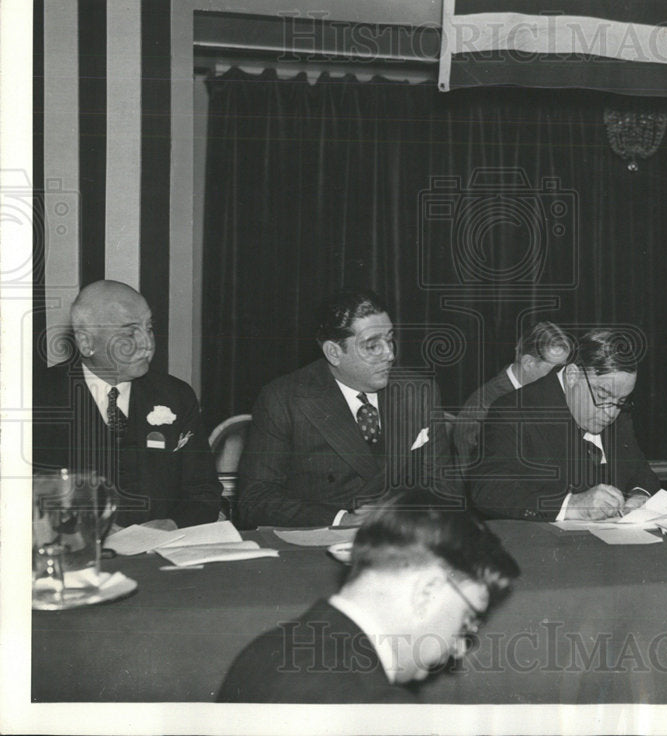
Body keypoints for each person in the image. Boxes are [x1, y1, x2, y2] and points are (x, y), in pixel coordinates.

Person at [217, 489, 520, 702]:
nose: (459, 650)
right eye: (468, 621)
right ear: (427, 591)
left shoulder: (262, 650)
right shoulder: (379, 708)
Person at [238, 289, 456, 528]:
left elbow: (443, 488)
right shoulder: (284, 399)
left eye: (390, 338)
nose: (390, 354)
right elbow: (256, 500)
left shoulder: (419, 392)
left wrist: (398, 515)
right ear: (334, 352)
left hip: (401, 535)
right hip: (319, 540)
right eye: (372, 346)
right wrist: (342, 520)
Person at [33, 280, 221, 529]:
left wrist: (173, 524)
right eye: (130, 332)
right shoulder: (37, 398)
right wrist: (93, 529)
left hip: (161, 553)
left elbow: (204, 491)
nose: (147, 343)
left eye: (149, 328)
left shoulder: (175, 396)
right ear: (86, 342)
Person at [468, 328, 661, 521]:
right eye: (602, 396)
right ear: (572, 376)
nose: (611, 413)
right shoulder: (514, 410)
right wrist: (571, 506)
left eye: (621, 401)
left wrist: (639, 496)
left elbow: (640, 471)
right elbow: (487, 488)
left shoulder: (615, 407)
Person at [453, 320, 572, 471]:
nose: (564, 377)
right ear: (528, 363)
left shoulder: (548, 396)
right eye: (557, 369)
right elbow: (479, 482)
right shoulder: (481, 408)